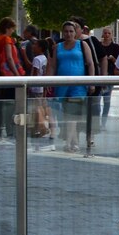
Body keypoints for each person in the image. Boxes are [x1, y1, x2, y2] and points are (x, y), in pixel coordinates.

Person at [50, 21, 91, 152]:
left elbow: (90, 63)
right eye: (66, 31)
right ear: (62, 33)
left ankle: (68, 143)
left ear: (76, 32)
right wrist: (47, 82)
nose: (68, 34)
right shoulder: (57, 47)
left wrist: (91, 82)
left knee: (72, 114)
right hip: (61, 85)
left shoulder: (82, 45)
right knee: (66, 115)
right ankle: (75, 142)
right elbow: (52, 65)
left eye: (71, 31)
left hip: (78, 86)